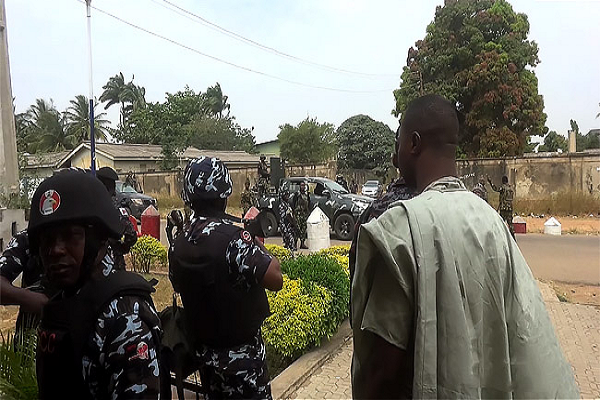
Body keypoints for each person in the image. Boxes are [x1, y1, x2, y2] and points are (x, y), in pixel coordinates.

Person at [351, 94, 578, 399]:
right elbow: (525, 332)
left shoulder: (400, 231)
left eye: (399, 142)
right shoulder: (492, 223)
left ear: (413, 144)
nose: (395, 157)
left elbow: (379, 374)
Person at [29, 169, 162, 399]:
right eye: (47, 240)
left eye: (71, 236)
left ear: (97, 240)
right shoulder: (65, 301)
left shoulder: (123, 315)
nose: (55, 250)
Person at [169, 156, 283, 399]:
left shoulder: (179, 241)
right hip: (243, 365)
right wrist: (252, 238)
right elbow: (275, 278)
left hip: (206, 361)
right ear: (225, 194)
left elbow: (177, 283)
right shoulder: (234, 240)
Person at [97, 166, 138, 270]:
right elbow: (131, 235)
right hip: (114, 262)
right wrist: (121, 249)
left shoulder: (91, 206)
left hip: (93, 265)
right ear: (113, 186)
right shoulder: (116, 208)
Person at [278, 189, 297, 253]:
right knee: (288, 239)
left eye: (288, 195)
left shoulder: (287, 204)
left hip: (289, 225)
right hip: (284, 225)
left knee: (290, 240)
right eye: (286, 195)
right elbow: (284, 216)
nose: (287, 197)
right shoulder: (282, 205)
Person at [293, 181, 310, 249]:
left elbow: (309, 203)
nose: (302, 187)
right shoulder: (297, 194)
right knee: (297, 229)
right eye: (301, 185)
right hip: (298, 214)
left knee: (303, 230)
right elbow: (293, 203)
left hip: (304, 214)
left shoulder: (306, 195)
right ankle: (295, 244)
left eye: (303, 185)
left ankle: (302, 243)